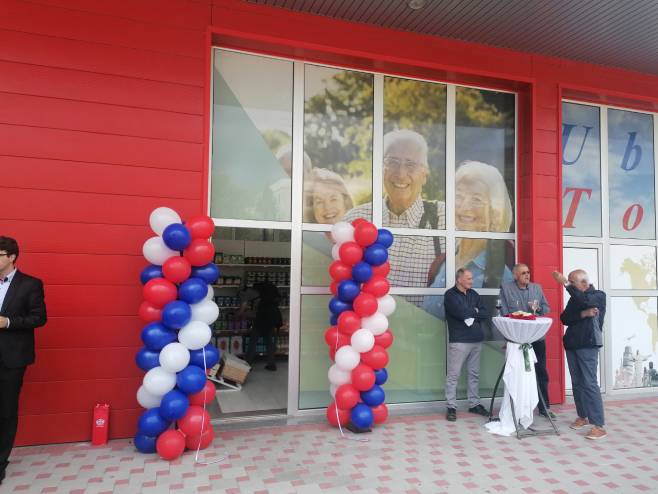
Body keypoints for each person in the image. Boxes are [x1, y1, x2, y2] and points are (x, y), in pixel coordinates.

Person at [342, 129, 445, 287]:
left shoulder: (445, 219)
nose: (401, 174)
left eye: (410, 164)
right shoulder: (355, 219)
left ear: (425, 175)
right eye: (392, 162)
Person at [0, 237, 47, 483]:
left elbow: (39, 318)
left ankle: (0, 462)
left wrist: (7, 322)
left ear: (11, 257)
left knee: (6, 410)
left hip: (12, 358)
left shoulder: (30, 284)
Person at [553, 269, 607, 440]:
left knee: (589, 383)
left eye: (571, 282)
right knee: (577, 383)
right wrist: (583, 314)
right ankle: (582, 416)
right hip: (572, 345)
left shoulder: (597, 295)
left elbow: (585, 300)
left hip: (588, 346)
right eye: (568, 282)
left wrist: (565, 284)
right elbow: (565, 318)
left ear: (583, 282)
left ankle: (598, 425)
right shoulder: (576, 298)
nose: (569, 285)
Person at [499, 263, 554, 418]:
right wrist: (507, 337)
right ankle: (517, 408)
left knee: (540, 371)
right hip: (516, 339)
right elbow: (503, 312)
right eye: (523, 273)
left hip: (536, 338)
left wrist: (538, 309)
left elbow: (546, 307)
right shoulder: (506, 288)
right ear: (515, 275)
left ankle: (544, 408)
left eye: (528, 272)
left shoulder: (537, 288)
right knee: (517, 372)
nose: (527, 275)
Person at [443, 268, 490, 421]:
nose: (471, 281)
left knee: (474, 374)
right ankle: (451, 406)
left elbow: (484, 312)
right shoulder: (450, 295)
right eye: (468, 278)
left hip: (476, 339)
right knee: (453, 375)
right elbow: (460, 313)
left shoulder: (474, 294)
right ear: (459, 280)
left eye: (471, 278)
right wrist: (473, 311)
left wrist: (472, 312)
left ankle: (474, 404)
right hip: (459, 341)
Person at [244, 280, 283, 371]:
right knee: (269, 342)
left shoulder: (261, 293)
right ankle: (272, 364)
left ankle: (247, 364)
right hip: (272, 318)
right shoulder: (273, 292)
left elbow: (256, 307)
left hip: (262, 319)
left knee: (253, 341)